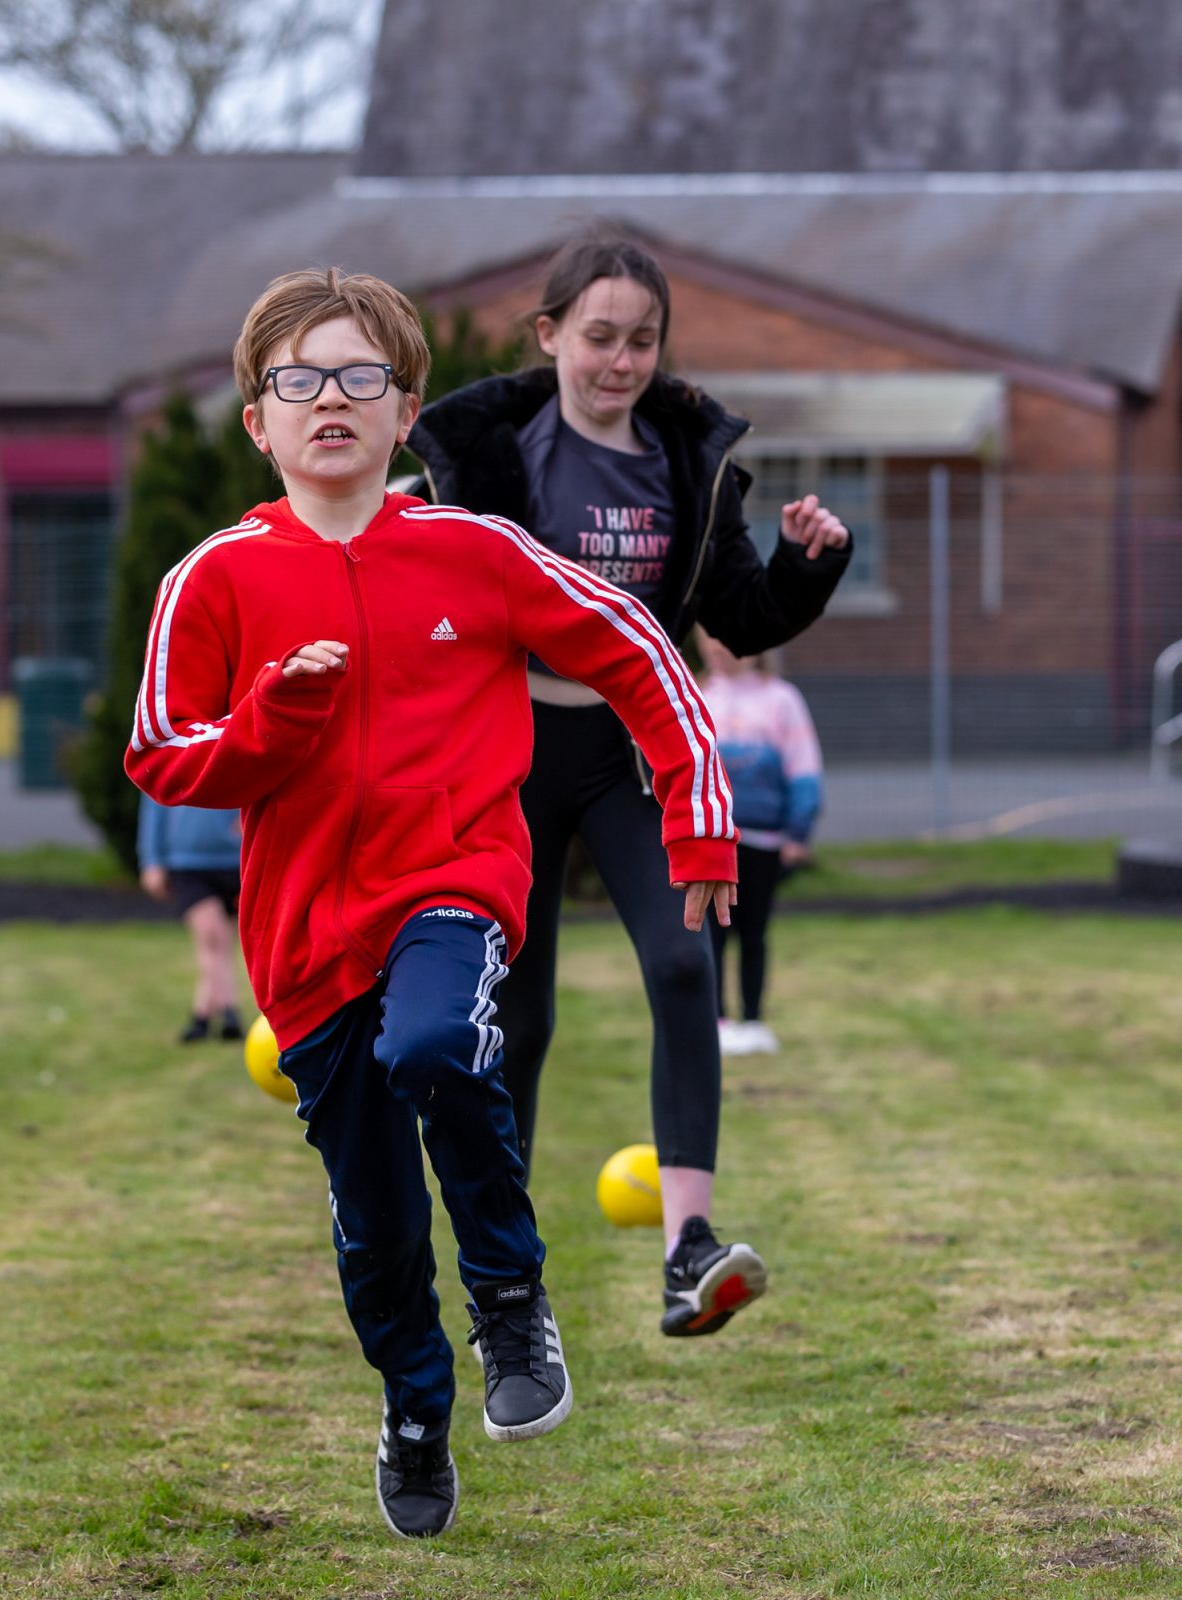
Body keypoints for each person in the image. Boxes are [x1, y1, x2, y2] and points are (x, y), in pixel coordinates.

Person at [126, 267, 736, 1539]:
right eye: (299, 379)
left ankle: (511, 1302)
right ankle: (414, 1402)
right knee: (378, 1224)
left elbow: (640, 652)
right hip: (304, 941)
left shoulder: (476, 551)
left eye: (361, 376)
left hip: (451, 880)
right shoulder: (213, 579)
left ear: (406, 412)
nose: (330, 398)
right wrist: (273, 718)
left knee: (439, 1042)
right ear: (258, 419)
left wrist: (696, 821)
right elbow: (164, 754)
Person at [407, 224, 851, 1337]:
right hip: (508, 752)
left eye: (642, 340)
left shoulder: (686, 463)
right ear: (549, 334)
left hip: (632, 755)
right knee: (517, 1013)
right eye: (599, 336)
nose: (620, 360)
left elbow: (740, 615)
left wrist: (808, 566)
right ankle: (502, 1275)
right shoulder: (484, 455)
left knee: (684, 961)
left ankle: (687, 1252)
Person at [698, 631, 823, 1056]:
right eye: (710, 638)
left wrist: (797, 831)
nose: (719, 647)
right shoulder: (696, 695)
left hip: (764, 843)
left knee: (754, 933)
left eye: (729, 638)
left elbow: (803, 766)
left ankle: (753, 1020)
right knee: (712, 935)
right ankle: (717, 1021)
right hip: (713, 843)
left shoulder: (782, 700)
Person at [136, 794, 247, 1043]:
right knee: (212, 937)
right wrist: (151, 860)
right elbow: (153, 808)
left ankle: (202, 1017)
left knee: (221, 944)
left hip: (234, 860)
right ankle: (229, 1011)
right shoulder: (168, 764)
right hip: (188, 864)